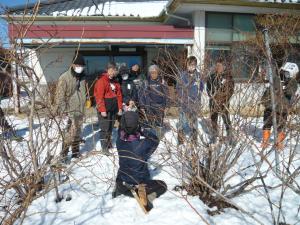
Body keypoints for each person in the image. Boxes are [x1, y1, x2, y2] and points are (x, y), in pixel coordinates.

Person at [113, 110, 167, 209]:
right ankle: (145, 197)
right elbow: (155, 139)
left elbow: (121, 129)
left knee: (125, 167)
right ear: (137, 126)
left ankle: (121, 187)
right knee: (163, 186)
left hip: (124, 179)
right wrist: (142, 129)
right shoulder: (143, 145)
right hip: (139, 181)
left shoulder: (119, 141)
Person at [53, 53, 87, 160]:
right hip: (69, 111)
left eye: (81, 66)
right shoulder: (65, 78)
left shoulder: (82, 78)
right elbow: (59, 96)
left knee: (77, 132)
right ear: (72, 65)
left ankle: (75, 153)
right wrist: (62, 111)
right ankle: (63, 155)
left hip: (79, 110)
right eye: (77, 65)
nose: (80, 68)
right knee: (68, 134)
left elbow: (82, 93)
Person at [260, 62, 299, 150]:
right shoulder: (276, 79)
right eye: (283, 72)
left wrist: (286, 84)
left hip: (282, 109)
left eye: (286, 73)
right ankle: (265, 142)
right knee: (267, 124)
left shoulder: (293, 83)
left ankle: (279, 144)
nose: (284, 75)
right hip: (270, 107)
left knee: (280, 127)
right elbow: (268, 90)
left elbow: (290, 92)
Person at [94, 62, 122, 154]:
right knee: (105, 128)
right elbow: (99, 97)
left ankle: (108, 143)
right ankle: (104, 147)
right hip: (104, 110)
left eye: (115, 70)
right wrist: (102, 110)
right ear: (107, 70)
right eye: (112, 70)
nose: (113, 72)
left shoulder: (115, 81)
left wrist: (120, 108)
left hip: (113, 109)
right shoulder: (101, 81)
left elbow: (119, 95)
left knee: (110, 128)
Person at [176, 56, 204, 145]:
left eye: (193, 65)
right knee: (182, 121)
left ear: (195, 65)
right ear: (187, 65)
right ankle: (180, 141)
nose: (191, 66)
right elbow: (178, 88)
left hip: (194, 103)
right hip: (183, 103)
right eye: (189, 65)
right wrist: (183, 98)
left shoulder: (199, 76)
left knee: (194, 122)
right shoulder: (182, 75)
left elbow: (201, 88)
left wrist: (197, 98)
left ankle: (194, 140)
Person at [206, 58, 235, 143]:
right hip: (213, 102)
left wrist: (223, 99)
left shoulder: (228, 77)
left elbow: (231, 90)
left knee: (226, 120)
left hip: (224, 103)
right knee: (213, 120)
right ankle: (214, 137)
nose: (218, 67)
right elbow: (208, 89)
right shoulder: (212, 77)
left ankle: (230, 138)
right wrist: (212, 97)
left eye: (220, 66)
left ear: (224, 67)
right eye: (217, 65)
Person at [139, 64, 168, 138]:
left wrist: (167, 105)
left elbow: (166, 94)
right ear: (149, 73)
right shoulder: (146, 82)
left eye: (155, 72)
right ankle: (149, 137)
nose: (153, 74)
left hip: (160, 106)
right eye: (152, 72)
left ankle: (158, 137)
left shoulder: (162, 82)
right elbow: (141, 94)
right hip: (149, 105)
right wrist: (142, 105)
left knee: (159, 123)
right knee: (149, 123)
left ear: (158, 72)